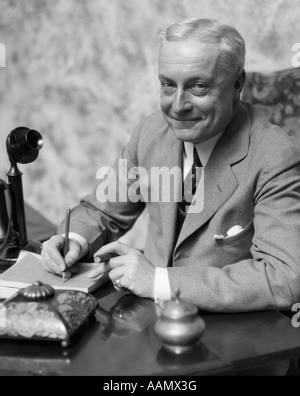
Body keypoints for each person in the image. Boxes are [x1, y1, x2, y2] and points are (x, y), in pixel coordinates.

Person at [41, 18, 300, 313]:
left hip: (232, 335)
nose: (177, 106)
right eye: (167, 85)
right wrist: (72, 239)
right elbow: (103, 210)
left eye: (198, 87)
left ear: (237, 85)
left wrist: (159, 281)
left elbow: (284, 277)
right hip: (150, 325)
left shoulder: (276, 156)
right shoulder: (151, 132)